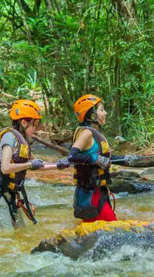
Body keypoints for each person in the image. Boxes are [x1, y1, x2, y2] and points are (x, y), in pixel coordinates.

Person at [0, 99, 55, 229]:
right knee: (6, 239)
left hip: (11, 196)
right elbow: (5, 167)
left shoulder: (22, 143)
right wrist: (30, 164)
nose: (36, 129)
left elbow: (39, 164)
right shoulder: (9, 137)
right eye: (34, 125)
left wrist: (61, 165)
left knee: (22, 234)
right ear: (23, 122)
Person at [64, 94, 117, 223]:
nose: (105, 113)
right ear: (91, 114)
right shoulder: (86, 133)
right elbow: (72, 156)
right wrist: (95, 158)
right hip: (90, 195)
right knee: (113, 230)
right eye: (101, 110)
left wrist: (130, 159)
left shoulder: (96, 134)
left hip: (98, 193)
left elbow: (108, 158)